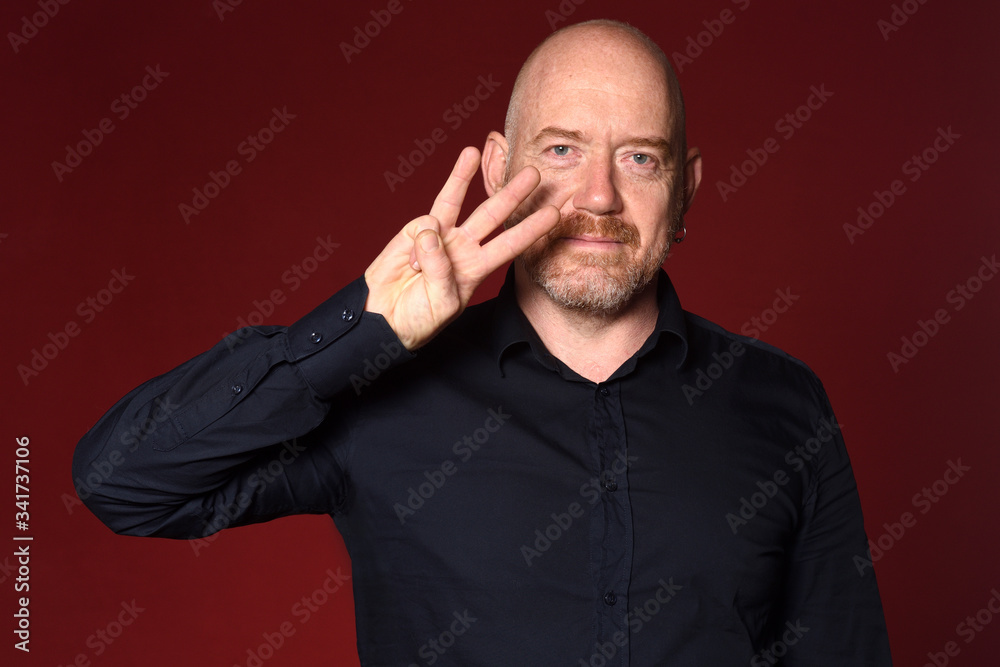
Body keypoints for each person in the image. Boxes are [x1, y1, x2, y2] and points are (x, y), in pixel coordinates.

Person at [74, 19, 892, 666]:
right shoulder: (378, 387)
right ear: (500, 170)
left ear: (685, 188)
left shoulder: (783, 405)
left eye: (640, 157)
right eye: (563, 150)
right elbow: (122, 481)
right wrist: (361, 326)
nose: (600, 195)